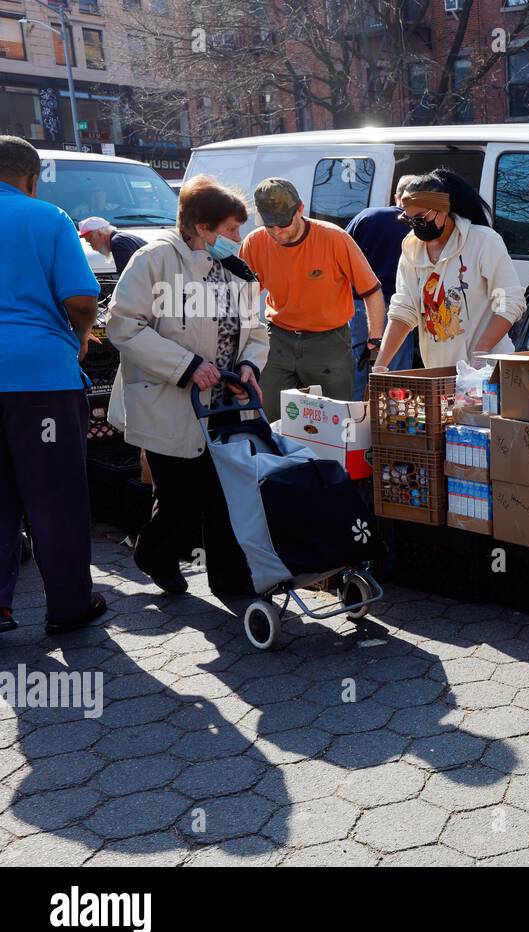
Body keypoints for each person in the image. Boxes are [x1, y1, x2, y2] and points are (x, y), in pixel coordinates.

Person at [107, 175, 270, 596]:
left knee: (227, 495)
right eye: (231, 229)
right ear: (202, 226)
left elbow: (256, 328)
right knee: (180, 498)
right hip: (170, 402)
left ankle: (231, 580)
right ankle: (154, 554)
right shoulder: (154, 259)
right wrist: (187, 366)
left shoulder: (235, 269)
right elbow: (124, 327)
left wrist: (248, 366)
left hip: (225, 405)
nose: (239, 238)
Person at [0, 135, 107, 634]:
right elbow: (82, 300)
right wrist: (80, 337)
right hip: (41, 379)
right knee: (54, 495)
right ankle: (68, 606)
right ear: (32, 177)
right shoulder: (49, 218)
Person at [239, 178, 384, 421]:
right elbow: (243, 298)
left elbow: (372, 290)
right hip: (278, 338)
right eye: (269, 225)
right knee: (264, 415)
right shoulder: (255, 242)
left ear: (300, 210)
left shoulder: (334, 238)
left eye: (282, 223)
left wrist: (375, 339)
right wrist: (244, 344)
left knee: (337, 420)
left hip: (329, 342)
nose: (276, 231)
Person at [373, 169, 524, 373]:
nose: (416, 226)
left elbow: (508, 300)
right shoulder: (412, 250)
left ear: (443, 209)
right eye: (410, 220)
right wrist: (380, 364)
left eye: (421, 218)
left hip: (489, 370)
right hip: (441, 372)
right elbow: (404, 310)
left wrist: (482, 351)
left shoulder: (483, 241)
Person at [345, 174, 420, 400]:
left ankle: (354, 415)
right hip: (399, 310)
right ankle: (391, 416)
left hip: (358, 306)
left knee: (355, 371)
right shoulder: (420, 226)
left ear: (396, 196)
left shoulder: (366, 216)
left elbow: (341, 254)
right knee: (395, 375)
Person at [77, 216, 147, 275]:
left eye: (90, 241)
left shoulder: (118, 244)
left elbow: (127, 279)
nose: (93, 248)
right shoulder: (122, 238)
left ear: (99, 234)